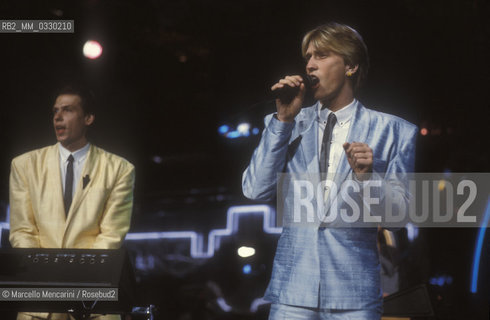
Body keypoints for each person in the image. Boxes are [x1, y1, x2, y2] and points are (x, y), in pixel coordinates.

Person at [242, 22, 417, 320]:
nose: (310, 65)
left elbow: (398, 219)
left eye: (321, 56)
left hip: (355, 295)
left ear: (350, 65)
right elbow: (255, 189)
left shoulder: (396, 131)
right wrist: (282, 121)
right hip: (293, 292)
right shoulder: (288, 123)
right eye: (308, 57)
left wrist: (368, 178)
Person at [9, 84, 135, 320]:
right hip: (40, 301)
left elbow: (111, 236)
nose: (58, 116)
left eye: (67, 110)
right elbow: (22, 231)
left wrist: (77, 283)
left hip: (94, 302)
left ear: (88, 118)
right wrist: (49, 278)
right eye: (55, 110)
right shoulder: (24, 165)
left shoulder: (119, 169)